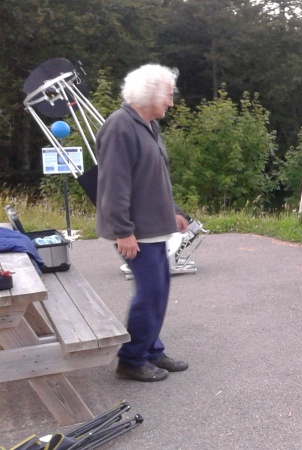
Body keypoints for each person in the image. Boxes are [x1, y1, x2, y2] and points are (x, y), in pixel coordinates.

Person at [95, 64, 189, 382]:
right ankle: (132, 360)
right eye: (168, 96)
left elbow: (154, 178)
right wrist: (123, 231)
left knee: (159, 291)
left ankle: (151, 349)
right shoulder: (119, 126)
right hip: (136, 231)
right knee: (149, 294)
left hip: (154, 228)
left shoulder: (149, 125)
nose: (171, 103)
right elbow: (113, 185)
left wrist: (173, 211)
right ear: (149, 93)